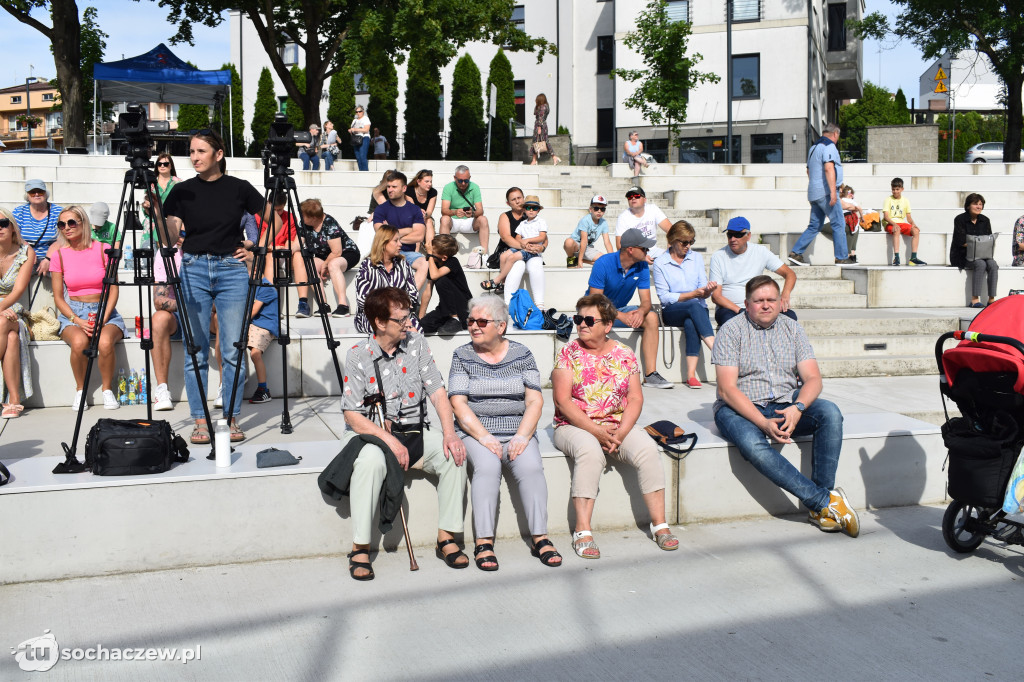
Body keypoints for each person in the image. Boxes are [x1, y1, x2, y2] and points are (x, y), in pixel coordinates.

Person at [711, 275, 860, 537]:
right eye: (759, 301)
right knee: (753, 445)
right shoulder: (731, 331)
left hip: (784, 404)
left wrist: (798, 407)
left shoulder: (793, 329)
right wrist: (762, 422)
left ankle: (819, 507)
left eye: (771, 300)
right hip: (739, 409)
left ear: (781, 302)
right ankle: (824, 502)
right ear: (747, 304)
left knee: (829, 413)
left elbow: (813, 378)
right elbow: (727, 389)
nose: (765, 305)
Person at [340, 287, 468, 580]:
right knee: (371, 461)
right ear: (380, 322)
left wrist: (450, 432)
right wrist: (390, 441)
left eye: (409, 317)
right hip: (370, 432)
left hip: (414, 429)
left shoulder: (417, 344)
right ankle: (360, 545)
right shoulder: (358, 355)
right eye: (401, 320)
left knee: (455, 456)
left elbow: (436, 390)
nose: (409, 324)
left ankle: (446, 536)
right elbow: (352, 415)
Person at [159, 129, 267, 445]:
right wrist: (158, 209)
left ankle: (231, 418)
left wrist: (253, 247)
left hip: (232, 269)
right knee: (196, 349)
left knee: (232, 347)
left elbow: (270, 220)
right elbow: (168, 240)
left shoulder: (240, 188)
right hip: (193, 268)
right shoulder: (182, 191)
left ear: (218, 154)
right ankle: (200, 421)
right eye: (191, 151)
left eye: (201, 151)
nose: (195, 157)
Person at [553, 293, 679, 558]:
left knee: (646, 448)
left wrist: (620, 432)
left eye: (589, 320)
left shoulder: (624, 353)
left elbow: (635, 398)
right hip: (572, 426)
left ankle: (660, 525)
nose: (581, 325)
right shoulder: (568, 352)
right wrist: (596, 431)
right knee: (589, 451)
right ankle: (582, 530)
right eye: (578, 319)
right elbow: (563, 402)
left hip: (616, 424)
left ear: (608, 325)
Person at [449, 295, 562, 570]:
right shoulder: (462, 355)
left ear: (501, 326)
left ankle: (540, 537)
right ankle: (483, 541)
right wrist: (484, 436)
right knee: (487, 467)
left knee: (532, 467)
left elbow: (535, 401)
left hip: (517, 429)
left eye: (481, 321)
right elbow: (458, 403)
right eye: (471, 321)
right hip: (476, 431)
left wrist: (522, 436)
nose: (474, 326)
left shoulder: (522, 353)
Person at [50, 205, 127, 411]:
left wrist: (103, 316)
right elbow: (58, 298)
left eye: (72, 222)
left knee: (104, 342)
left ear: (83, 223)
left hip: (105, 310)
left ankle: (107, 390)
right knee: (79, 342)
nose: (67, 227)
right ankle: (80, 390)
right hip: (73, 312)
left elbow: (113, 290)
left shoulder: (103, 250)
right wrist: (77, 320)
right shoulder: (59, 256)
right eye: (62, 224)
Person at [587, 228, 673, 389]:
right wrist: (620, 316)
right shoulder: (603, 263)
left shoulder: (642, 266)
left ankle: (650, 375)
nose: (647, 251)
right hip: (596, 311)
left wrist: (641, 312)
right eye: (644, 248)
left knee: (651, 317)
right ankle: (597, 376)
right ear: (631, 250)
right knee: (597, 320)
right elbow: (595, 300)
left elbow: (646, 301)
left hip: (618, 310)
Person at [652, 220, 717, 389]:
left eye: (691, 242)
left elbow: (702, 287)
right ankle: (718, 351)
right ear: (672, 241)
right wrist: (693, 294)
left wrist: (708, 290)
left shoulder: (696, 258)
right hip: (672, 311)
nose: (688, 246)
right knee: (694, 306)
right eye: (684, 242)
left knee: (691, 321)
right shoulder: (660, 262)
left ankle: (690, 375)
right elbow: (664, 297)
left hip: (695, 308)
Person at [709, 216, 798, 327]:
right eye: (729, 235)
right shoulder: (718, 256)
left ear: (748, 236)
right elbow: (716, 296)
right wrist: (740, 311)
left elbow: (790, 274)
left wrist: (785, 295)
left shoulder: (760, 251)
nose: (732, 239)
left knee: (790, 317)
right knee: (731, 322)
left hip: (758, 307)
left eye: (738, 235)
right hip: (730, 309)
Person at [787, 122, 853, 266]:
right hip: (826, 193)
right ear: (835, 134)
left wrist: (816, 186)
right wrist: (833, 192)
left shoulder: (813, 148)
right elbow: (829, 168)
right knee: (838, 222)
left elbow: (809, 171)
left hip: (814, 193)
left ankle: (796, 253)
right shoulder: (829, 147)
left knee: (814, 225)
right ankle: (841, 257)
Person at [0, 209, 36, 417]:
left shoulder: (25, 252)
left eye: (3, 223)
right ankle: (13, 400)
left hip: (13, 308)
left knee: (5, 323)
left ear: (12, 226)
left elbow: (18, 290)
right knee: (11, 338)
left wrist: (2, 308)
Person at [298, 199, 360, 317]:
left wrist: (325, 265)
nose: (301, 217)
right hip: (325, 255)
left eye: (304, 215)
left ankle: (343, 306)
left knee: (333, 264)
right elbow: (298, 243)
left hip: (346, 253)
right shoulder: (304, 224)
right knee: (309, 264)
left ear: (313, 218)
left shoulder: (329, 223)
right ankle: (323, 305)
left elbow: (336, 252)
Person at [354, 226, 420, 334]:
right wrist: (393, 305)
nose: (400, 244)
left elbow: (413, 294)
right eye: (395, 241)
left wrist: (397, 308)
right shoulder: (367, 265)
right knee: (392, 327)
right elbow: (362, 300)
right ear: (383, 243)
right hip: (373, 316)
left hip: (400, 315)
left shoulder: (403, 264)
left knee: (415, 329)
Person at [373, 171, 428, 291]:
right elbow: (381, 233)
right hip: (385, 252)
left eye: (394, 187)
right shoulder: (381, 209)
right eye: (388, 187)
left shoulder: (414, 210)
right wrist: (408, 230)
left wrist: (392, 236)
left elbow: (419, 236)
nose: (390, 190)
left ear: (404, 188)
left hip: (408, 253)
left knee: (425, 263)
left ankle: (409, 299)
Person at [951, 193, 997, 308]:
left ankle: (991, 299)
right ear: (968, 206)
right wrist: (978, 244)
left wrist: (979, 244)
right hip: (964, 255)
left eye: (980, 204)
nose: (978, 207)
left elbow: (988, 239)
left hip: (982, 253)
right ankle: (974, 299)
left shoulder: (985, 220)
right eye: (975, 204)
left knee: (993, 264)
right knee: (980, 264)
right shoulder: (960, 219)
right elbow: (961, 241)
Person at [419, 234, 471, 335]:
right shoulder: (434, 265)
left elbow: (435, 276)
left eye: (432, 252)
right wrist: (421, 317)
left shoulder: (453, 262)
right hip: (445, 308)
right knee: (423, 325)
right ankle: (449, 321)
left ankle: (455, 319)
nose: (428, 254)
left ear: (444, 258)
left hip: (462, 307)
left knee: (441, 280)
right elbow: (427, 291)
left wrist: (429, 255)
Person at [502, 194, 547, 309]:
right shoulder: (521, 223)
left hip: (533, 253)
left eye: (534, 208)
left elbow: (544, 238)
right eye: (528, 208)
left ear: (539, 210)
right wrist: (523, 244)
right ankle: (508, 303)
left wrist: (538, 246)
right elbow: (514, 238)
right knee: (517, 265)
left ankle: (539, 304)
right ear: (524, 209)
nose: (531, 210)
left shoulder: (540, 221)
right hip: (520, 251)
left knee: (536, 265)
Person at [480, 187, 528, 294]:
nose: (517, 201)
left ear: (523, 198)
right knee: (512, 259)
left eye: (519, 198)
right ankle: (504, 284)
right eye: (513, 199)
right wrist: (524, 247)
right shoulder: (505, 216)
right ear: (508, 203)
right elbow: (505, 237)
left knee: (519, 262)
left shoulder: (530, 214)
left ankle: (502, 284)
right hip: (508, 249)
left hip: (526, 250)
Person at [12, 179, 62, 276]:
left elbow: (62, 239)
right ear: (27, 195)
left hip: (52, 255)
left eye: (40, 191)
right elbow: (15, 236)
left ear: (45, 193)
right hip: (25, 254)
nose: (36, 194)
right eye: (32, 192)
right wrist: (30, 252)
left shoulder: (58, 212)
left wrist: (48, 258)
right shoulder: (19, 212)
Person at [438, 165, 490, 258]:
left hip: (469, 221)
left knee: (483, 219)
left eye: (466, 181)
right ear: (455, 178)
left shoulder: (475, 187)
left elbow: (480, 210)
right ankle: (444, 253)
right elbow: (444, 210)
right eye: (460, 180)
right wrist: (455, 212)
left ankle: (484, 255)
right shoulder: (448, 187)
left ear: (469, 178)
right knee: (444, 219)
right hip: (453, 221)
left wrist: (472, 213)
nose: (463, 183)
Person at [246, 268, 280, 404]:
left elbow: (253, 311)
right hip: (253, 324)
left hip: (265, 325)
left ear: (255, 270)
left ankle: (263, 389)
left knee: (255, 354)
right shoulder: (251, 285)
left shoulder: (266, 287)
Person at [614, 186, 670, 258]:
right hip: (634, 255)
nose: (633, 198)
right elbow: (620, 246)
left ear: (645, 199)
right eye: (630, 197)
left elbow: (671, 230)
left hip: (654, 251)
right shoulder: (623, 217)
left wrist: (670, 250)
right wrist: (641, 257)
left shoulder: (653, 209)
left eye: (637, 196)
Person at [882, 177, 927, 266]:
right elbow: (886, 217)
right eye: (893, 189)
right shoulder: (888, 200)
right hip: (890, 223)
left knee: (916, 231)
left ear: (902, 189)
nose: (895, 191)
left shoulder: (905, 200)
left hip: (901, 223)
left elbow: (908, 217)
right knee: (897, 229)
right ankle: (897, 257)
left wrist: (913, 224)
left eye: (897, 189)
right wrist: (894, 224)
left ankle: (913, 258)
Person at [141, 153, 180, 242]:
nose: (162, 166)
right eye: (159, 164)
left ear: (171, 166)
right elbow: (147, 208)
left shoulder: (178, 183)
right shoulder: (150, 183)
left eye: (165, 164)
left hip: (171, 222)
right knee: (149, 254)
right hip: (152, 223)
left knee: (170, 253)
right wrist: (145, 205)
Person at [565, 195, 614, 267]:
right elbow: (584, 241)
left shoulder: (604, 222)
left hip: (587, 248)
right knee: (568, 242)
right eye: (596, 208)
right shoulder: (585, 220)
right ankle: (571, 259)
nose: (599, 211)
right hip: (575, 246)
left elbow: (607, 242)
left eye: (602, 209)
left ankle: (578, 259)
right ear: (590, 209)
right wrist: (580, 260)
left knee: (606, 260)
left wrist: (612, 259)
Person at [406, 169, 437, 247]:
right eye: (427, 181)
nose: (429, 184)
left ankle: (430, 248)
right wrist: (419, 213)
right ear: (419, 181)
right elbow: (412, 210)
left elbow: (429, 212)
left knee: (429, 221)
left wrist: (425, 215)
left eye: (431, 181)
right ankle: (416, 253)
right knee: (418, 223)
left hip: (426, 217)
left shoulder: (433, 192)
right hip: (410, 217)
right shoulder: (409, 191)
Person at [530, 93, 561, 166]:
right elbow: (535, 113)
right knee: (537, 142)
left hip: (540, 126)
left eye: (537, 99)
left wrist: (539, 127)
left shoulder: (543, 107)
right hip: (540, 125)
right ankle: (534, 160)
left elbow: (541, 117)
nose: (535, 100)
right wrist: (537, 106)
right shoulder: (543, 106)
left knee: (542, 142)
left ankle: (554, 157)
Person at [348, 105, 371, 171]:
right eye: (356, 112)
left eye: (359, 111)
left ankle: (365, 172)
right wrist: (351, 131)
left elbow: (366, 130)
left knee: (362, 156)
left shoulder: (365, 118)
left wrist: (355, 129)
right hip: (356, 139)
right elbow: (353, 131)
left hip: (364, 137)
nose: (358, 113)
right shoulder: (354, 120)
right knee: (358, 157)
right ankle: (361, 172)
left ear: (363, 111)